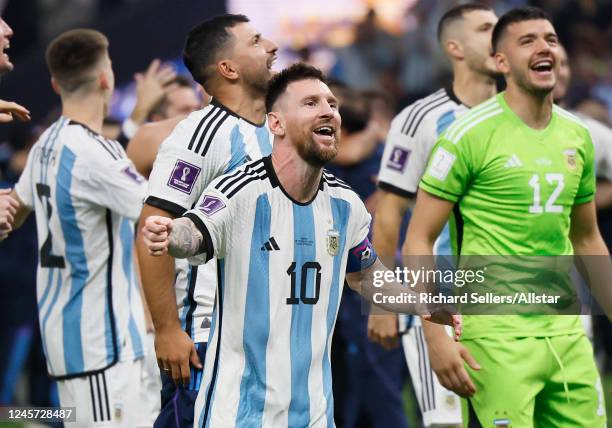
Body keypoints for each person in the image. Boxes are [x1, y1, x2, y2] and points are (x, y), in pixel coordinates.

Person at [141, 62, 460, 428]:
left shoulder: (346, 205)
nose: (328, 110)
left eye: (332, 104)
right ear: (275, 124)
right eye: (310, 103)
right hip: (240, 414)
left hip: (314, 414)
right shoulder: (240, 192)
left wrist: (425, 305)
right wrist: (170, 235)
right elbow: (195, 232)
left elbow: (366, 277)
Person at [409, 7, 608, 426]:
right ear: (500, 62)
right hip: (496, 337)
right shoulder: (467, 135)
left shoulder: (578, 136)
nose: (545, 48)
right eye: (528, 41)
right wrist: (435, 335)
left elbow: (587, 238)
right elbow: (419, 240)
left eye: (551, 39)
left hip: (566, 332)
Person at [1, 29, 157, 427]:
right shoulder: (95, 154)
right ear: (107, 78)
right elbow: (158, 214)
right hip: (103, 347)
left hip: (71, 341)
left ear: (55, 83)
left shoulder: (46, 143)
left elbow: (13, 212)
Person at [135, 13, 278, 428]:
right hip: (210, 336)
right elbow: (153, 228)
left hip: (272, 336)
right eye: (255, 41)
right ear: (228, 68)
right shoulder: (201, 136)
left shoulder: (279, 129)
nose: (270, 46)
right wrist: (166, 330)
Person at [369, 3, 499, 426]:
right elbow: (389, 213)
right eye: (485, 29)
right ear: (454, 47)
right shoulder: (420, 119)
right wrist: (384, 302)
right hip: (440, 300)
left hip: (511, 299)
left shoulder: (526, 117)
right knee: (448, 423)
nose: (499, 37)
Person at [127, 76, 205, 178]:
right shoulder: (144, 145)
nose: (196, 115)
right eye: (185, 110)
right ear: (158, 120)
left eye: (198, 108)